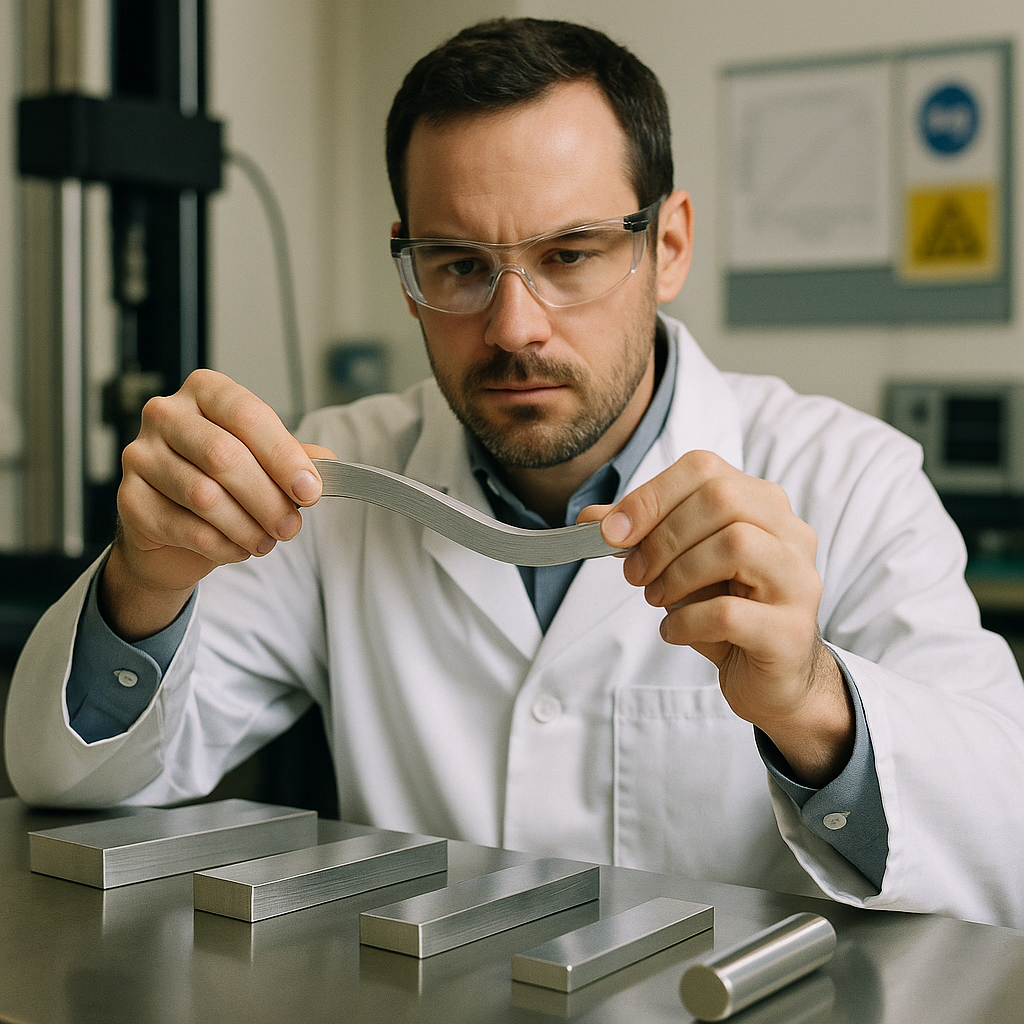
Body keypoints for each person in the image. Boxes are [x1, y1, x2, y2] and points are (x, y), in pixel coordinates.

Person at [6, 18, 1024, 929]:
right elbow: (67, 778)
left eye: (570, 255)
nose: (513, 326)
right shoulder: (339, 476)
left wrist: (813, 704)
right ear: (406, 273)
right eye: (457, 265)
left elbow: (1004, 841)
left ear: (666, 246)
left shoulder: (850, 479)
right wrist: (146, 583)